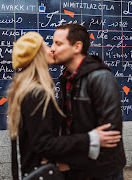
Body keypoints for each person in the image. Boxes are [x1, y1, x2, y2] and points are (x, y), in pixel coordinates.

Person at [7, 31, 122, 180]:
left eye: (57, 43)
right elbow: (43, 142)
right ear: (38, 55)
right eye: (47, 46)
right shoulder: (36, 93)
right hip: (42, 171)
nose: (52, 49)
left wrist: (68, 162)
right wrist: (90, 139)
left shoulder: (28, 88)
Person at [51, 23, 126, 180]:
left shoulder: (100, 78)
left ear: (77, 46)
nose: (52, 49)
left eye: (58, 43)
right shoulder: (66, 78)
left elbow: (110, 135)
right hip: (77, 169)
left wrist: (72, 163)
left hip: (102, 173)